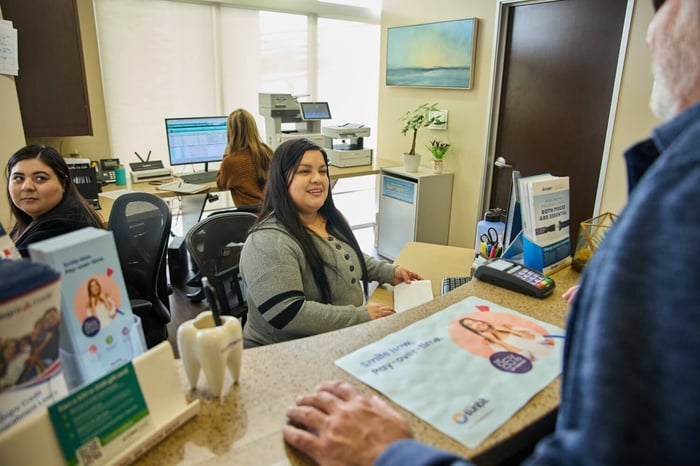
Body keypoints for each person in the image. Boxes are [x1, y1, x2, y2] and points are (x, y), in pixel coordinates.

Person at [283, 1, 700, 464]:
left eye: (661, 6)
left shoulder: (684, 197)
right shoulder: (275, 240)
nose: (648, 34)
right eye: (305, 172)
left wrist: (392, 456)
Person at [239, 138, 422, 347]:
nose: (318, 179)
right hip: (286, 353)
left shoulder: (328, 218)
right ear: (281, 179)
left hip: (336, 337)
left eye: (323, 171)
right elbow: (288, 313)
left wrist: (389, 271)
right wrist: (360, 316)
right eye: (304, 171)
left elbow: (348, 256)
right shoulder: (268, 242)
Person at [6, 145, 104, 257]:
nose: (26, 186)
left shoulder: (61, 229)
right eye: (18, 178)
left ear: (63, 184)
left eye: (40, 178)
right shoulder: (31, 218)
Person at [215, 108, 273, 208]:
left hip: (251, 217)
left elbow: (221, 184)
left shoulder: (231, 161)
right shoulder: (267, 151)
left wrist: (227, 153)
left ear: (230, 132)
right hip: (271, 213)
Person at [458, 317, 554, 362]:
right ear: (472, 330)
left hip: (550, 351)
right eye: (471, 325)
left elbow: (540, 340)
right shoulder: (488, 342)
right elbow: (526, 357)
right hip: (541, 361)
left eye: (474, 320)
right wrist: (497, 341)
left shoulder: (506, 326)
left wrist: (510, 330)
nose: (477, 323)